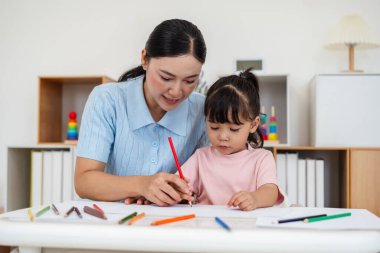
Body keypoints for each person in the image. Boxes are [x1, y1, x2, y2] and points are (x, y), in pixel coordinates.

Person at [74, 19, 209, 207]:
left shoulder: (203, 110)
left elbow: (212, 178)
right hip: (113, 223)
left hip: (175, 224)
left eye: (190, 80)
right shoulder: (107, 99)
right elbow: (84, 182)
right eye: (166, 77)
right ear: (145, 59)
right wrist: (142, 185)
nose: (177, 91)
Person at [180, 69, 283, 211]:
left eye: (233, 129)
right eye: (214, 127)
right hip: (206, 226)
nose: (222, 136)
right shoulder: (200, 157)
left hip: (244, 227)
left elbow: (271, 192)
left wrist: (254, 198)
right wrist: (177, 193)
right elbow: (178, 185)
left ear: (253, 124)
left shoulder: (262, 158)